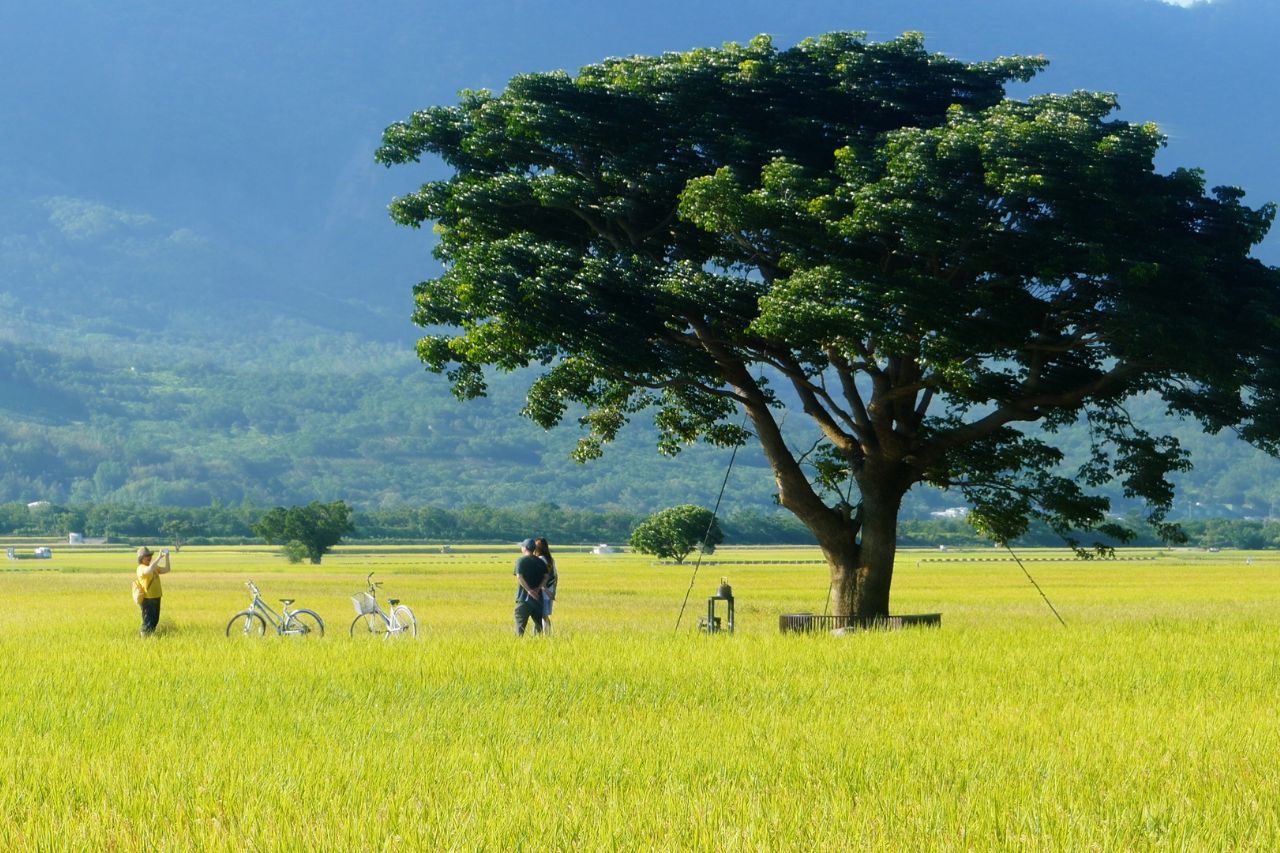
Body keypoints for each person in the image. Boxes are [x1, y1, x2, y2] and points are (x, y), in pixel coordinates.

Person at [513, 538, 547, 635]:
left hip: (523, 598)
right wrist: (537, 589)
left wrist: (529, 590)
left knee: (520, 626)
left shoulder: (521, 560)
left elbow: (519, 576)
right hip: (538, 598)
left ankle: (518, 645)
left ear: (525, 548)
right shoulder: (540, 562)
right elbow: (546, 576)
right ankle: (537, 645)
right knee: (538, 626)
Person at [136, 545, 171, 636]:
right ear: (141, 558)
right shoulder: (141, 568)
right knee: (147, 621)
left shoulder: (153, 567)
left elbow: (167, 569)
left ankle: (150, 638)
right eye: (146, 556)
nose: (149, 557)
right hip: (148, 599)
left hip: (156, 597)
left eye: (150, 555)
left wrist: (167, 557)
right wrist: (159, 557)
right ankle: (144, 640)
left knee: (155, 620)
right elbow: (149, 570)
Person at [533, 537, 557, 634]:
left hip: (543, 592)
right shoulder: (550, 560)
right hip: (550, 591)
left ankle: (544, 635)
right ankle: (548, 634)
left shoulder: (540, 559)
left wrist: (545, 590)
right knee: (545, 616)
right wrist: (552, 592)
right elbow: (555, 576)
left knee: (542, 616)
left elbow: (542, 577)